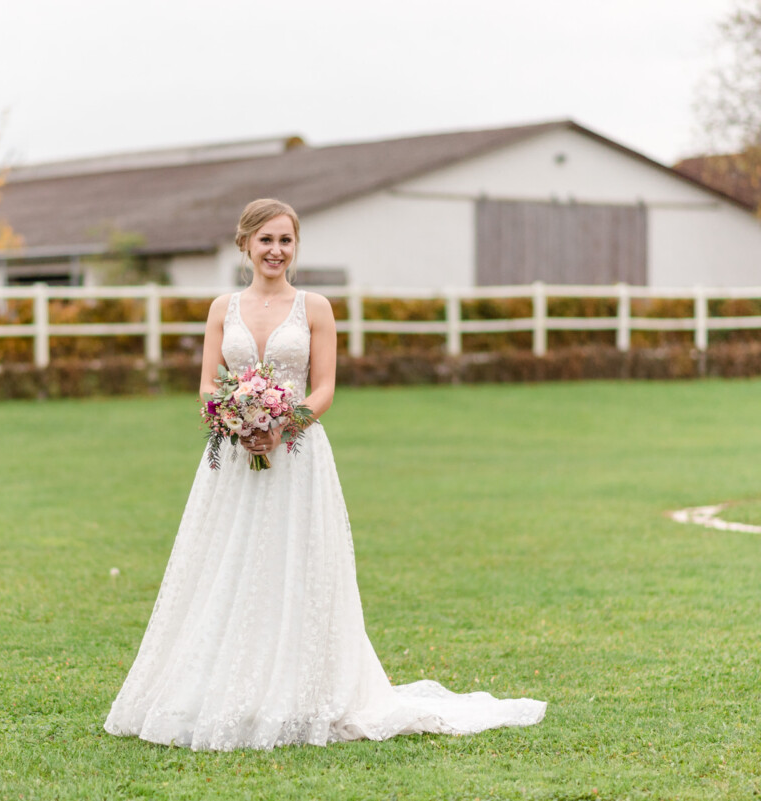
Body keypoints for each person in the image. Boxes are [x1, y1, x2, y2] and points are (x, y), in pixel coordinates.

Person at [103, 199, 546, 750]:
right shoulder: (223, 307)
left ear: (295, 247)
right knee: (229, 564)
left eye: (286, 240)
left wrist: (282, 426)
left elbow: (325, 389)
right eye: (266, 240)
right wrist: (238, 421)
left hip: (298, 456)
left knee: (296, 564)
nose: (276, 251)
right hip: (233, 459)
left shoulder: (314, 308)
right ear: (245, 244)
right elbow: (205, 385)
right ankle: (226, 683)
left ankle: (302, 691)